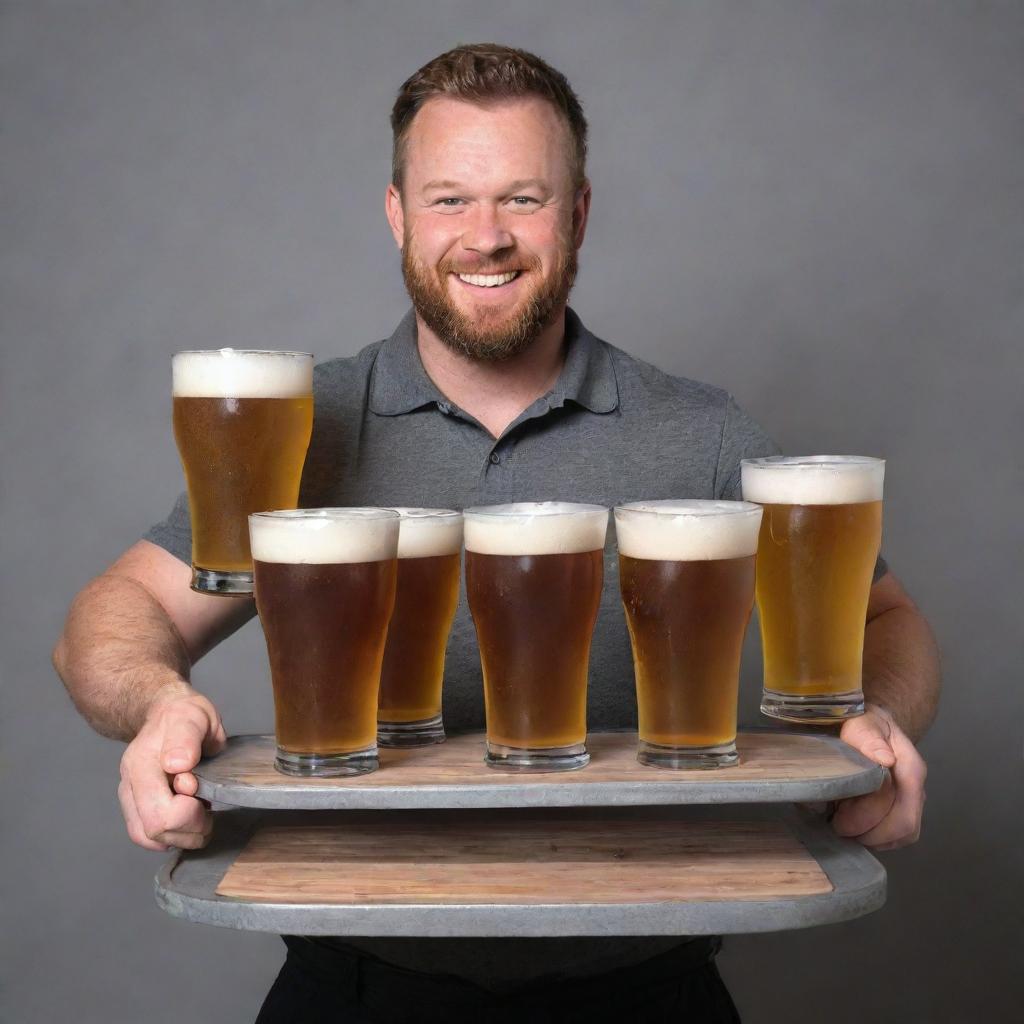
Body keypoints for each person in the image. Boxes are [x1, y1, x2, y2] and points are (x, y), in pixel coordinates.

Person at [53, 44, 940, 1024]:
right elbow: (111, 616)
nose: (485, 237)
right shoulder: (301, 424)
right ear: (395, 214)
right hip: (355, 980)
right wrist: (158, 704)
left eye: (522, 198)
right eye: (447, 200)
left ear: (578, 215)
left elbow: (885, 617)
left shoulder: (700, 429)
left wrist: (881, 722)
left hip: (646, 985)